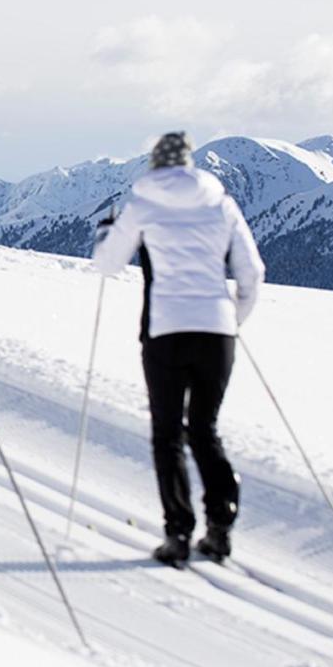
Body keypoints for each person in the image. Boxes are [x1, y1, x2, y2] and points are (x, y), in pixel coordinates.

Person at [92, 132, 264, 565]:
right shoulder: (221, 203)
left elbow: (107, 264)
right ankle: (221, 524)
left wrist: (105, 232)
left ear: (156, 164)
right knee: (204, 428)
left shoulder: (143, 204)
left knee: (168, 433)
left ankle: (178, 534)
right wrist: (232, 318)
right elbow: (252, 271)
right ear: (190, 164)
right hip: (216, 333)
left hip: (165, 331)